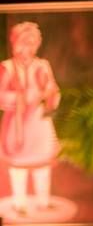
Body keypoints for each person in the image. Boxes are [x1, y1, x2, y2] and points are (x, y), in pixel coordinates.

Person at [0, 22, 61, 215]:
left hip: (38, 122)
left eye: (32, 43)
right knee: (19, 166)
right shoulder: (7, 68)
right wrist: (19, 98)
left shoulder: (42, 66)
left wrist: (51, 96)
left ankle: (43, 201)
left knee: (42, 164)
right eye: (24, 43)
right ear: (15, 43)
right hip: (17, 124)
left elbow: (52, 89)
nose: (28, 48)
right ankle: (20, 203)